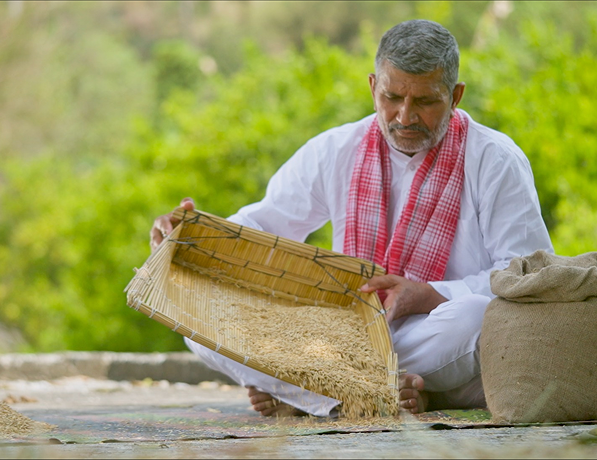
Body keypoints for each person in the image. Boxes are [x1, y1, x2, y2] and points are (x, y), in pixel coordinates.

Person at [151, 19, 554, 417]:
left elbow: (529, 274)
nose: (405, 116)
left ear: (456, 96)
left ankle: (312, 393)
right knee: (196, 317)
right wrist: (193, 234)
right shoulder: (335, 150)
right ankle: (386, 392)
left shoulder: (495, 160)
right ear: (373, 87)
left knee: (475, 318)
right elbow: (263, 225)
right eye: (392, 97)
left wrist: (430, 294)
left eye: (425, 102)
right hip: (340, 334)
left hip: (431, 330)